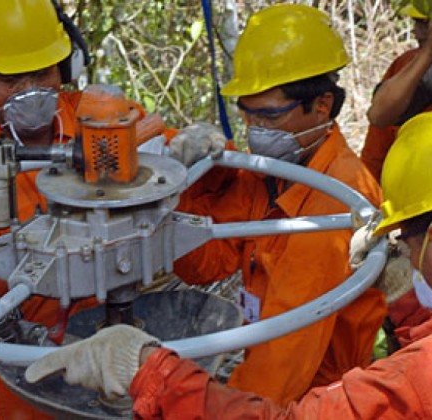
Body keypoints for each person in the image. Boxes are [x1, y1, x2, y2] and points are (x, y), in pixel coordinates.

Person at [0, 0, 220, 416]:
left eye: (42, 73)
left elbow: (160, 152)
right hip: (24, 368)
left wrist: (197, 151)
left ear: (67, 66)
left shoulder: (100, 119)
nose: (30, 92)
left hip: (117, 354)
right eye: (10, 79)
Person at [24, 109, 432, 418]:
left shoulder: (328, 207)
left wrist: (152, 373)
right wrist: (406, 301)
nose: (407, 253)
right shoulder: (273, 182)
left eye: (409, 239)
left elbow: (288, 397)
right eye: (248, 111)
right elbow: (207, 265)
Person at [160, 4, 386, 405]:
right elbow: (207, 262)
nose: (256, 133)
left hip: (319, 398)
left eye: (270, 117)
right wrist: (194, 185)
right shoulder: (275, 171)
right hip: (275, 382)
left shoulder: (336, 200)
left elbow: (283, 354)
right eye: (247, 116)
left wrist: (211, 411)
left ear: (321, 105)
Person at [361, 2, 432, 181]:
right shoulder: (408, 66)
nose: (417, 32)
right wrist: (427, 55)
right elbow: (379, 118)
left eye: (423, 23)